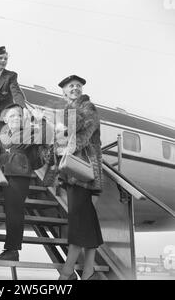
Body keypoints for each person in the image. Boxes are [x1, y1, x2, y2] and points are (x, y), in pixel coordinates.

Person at [54, 74, 104, 280]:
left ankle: (67, 270)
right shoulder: (66, 112)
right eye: (70, 86)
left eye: (77, 86)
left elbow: (81, 138)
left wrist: (61, 141)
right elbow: (59, 138)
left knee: (77, 220)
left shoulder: (88, 108)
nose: (74, 88)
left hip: (83, 172)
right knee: (87, 220)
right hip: (72, 172)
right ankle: (89, 270)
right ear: (64, 91)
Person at [0, 103, 53, 261]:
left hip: (19, 176)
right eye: (12, 115)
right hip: (0, 174)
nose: (16, 118)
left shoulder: (28, 133)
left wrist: (42, 121)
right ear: (5, 119)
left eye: (19, 116)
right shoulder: (2, 137)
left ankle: (12, 250)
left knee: (14, 213)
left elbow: (47, 135)